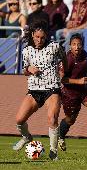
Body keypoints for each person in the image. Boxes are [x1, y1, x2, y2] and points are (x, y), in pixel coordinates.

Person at [12, 20, 67, 161]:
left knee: (52, 118)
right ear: (32, 35)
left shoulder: (55, 47)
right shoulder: (26, 50)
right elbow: (24, 70)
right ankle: (26, 137)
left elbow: (64, 58)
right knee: (19, 119)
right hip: (34, 89)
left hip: (52, 88)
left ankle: (53, 151)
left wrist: (64, 72)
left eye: (42, 37)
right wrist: (29, 69)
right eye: (37, 37)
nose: (39, 40)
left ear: (46, 36)